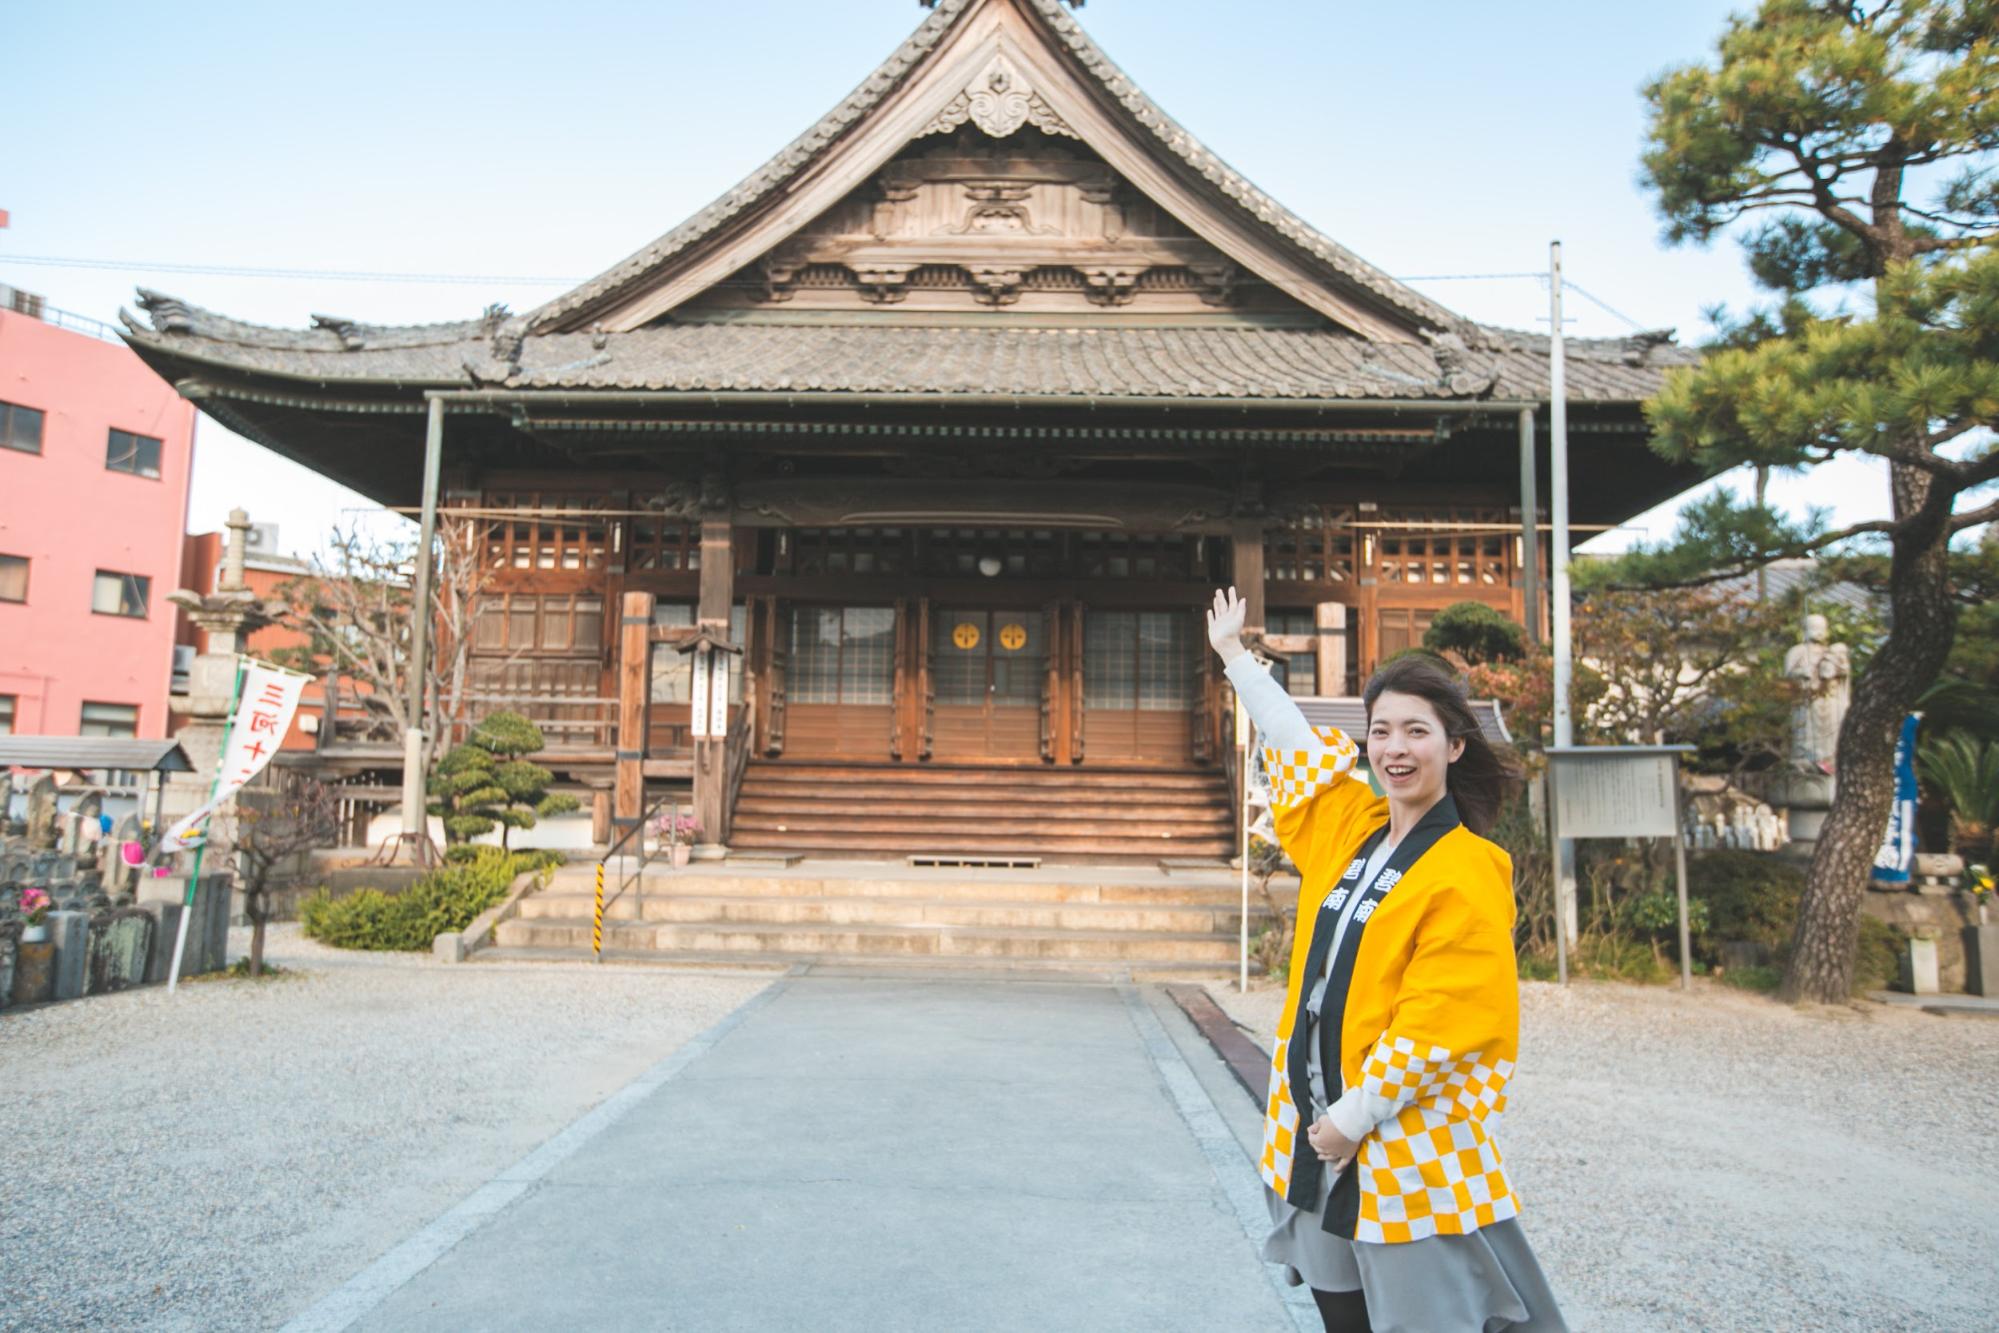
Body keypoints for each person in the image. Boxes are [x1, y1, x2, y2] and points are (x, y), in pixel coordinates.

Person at [1206, 587, 1567, 1333]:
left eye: (1416, 731)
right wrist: (1235, 658)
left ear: (1453, 744)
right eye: (1380, 731)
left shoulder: (1469, 867)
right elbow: (1293, 741)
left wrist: (1355, 1115)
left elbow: (1445, 1017)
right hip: (1312, 1129)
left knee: (1423, 1317)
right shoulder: (1353, 828)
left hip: (1398, 1139)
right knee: (1340, 1312)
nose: (1394, 748)